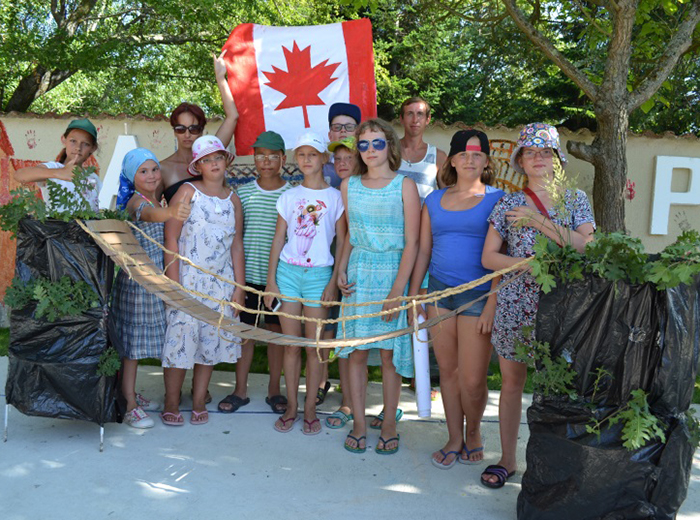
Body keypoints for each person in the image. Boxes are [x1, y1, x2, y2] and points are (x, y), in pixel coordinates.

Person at [481, 123, 595, 488]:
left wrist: (538, 221)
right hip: (516, 305)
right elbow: (488, 258)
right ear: (520, 160)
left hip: (564, 309)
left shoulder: (575, 200)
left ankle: (549, 464)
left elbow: (586, 247)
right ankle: (508, 459)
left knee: (557, 388)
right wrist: (525, 265)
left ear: (557, 158)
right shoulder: (508, 202)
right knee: (512, 383)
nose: (538, 158)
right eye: (530, 152)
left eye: (545, 152)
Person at [408, 130, 504, 468]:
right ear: (451, 158)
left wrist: (493, 302)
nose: (469, 159)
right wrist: (415, 295)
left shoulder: (499, 199)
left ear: (487, 161)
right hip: (439, 295)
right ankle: (453, 436)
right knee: (447, 371)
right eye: (463, 153)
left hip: (479, 298)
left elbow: (505, 257)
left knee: (473, 378)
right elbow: (423, 250)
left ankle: (474, 431)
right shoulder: (433, 200)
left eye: (477, 154)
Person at [336, 118, 420, 455]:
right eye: (364, 144)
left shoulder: (405, 186)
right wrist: (340, 269)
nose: (370, 150)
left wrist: (397, 292)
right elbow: (348, 235)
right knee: (356, 353)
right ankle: (358, 422)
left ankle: (388, 424)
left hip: (391, 275)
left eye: (377, 143)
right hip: (359, 273)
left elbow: (412, 244)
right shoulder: (349, 185)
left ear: (390, 146)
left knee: (388, 357)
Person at [265, 132, 346, 435]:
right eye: (302, 154)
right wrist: (272, 281)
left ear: (324, 158)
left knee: (313, 347)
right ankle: (292, 406)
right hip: (288, 273)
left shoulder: (335, 197)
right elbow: (278, 238)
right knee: (291, 346)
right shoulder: (288, 196)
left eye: (313, 154)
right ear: (295, 159)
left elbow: (341, 240)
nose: (307, 159)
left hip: (319, 277)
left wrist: (333, 282)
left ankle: (310, 406)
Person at [161, 135, 245, 426]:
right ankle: (171, 402)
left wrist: (239, 290)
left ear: (226, 161)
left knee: (208, 345)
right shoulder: (187, 192)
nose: (214, 164)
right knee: (180, 343)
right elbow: (170, 235)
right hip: (187, 280)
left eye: (218, 158)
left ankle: (198, 401)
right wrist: (173, 285)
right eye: (207, 160)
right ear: (198, 166)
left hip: (219, 285)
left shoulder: (233, 199)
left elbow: (236, 245)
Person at [109, 148, 191, 428]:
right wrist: (170, 212)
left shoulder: (159, 197)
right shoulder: (136, 202)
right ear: (132, 177)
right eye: (143, 171)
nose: (152, 175)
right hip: (137, 285)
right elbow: (150, 216)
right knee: (132, 348)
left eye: (154, 169)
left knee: (140, 343)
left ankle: (127, 392)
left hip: (151, 282)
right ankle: (129, 404)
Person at [217, 131, 291, 415]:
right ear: (254, 158)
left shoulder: (292, 194)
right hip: (245, 276)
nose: (267, 161)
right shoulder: (243, 193)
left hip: (278, 278)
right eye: (260, 155)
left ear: (283, 159)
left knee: (275, 333)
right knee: (244, 333)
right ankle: (240, 389)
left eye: (273, 156)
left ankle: (275, 390)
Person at [161, 50, 238, 203]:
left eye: (194, 129)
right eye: (181, 129)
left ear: (202, 130)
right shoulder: (163, 168)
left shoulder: (213, 152)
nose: (187, 135)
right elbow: (149, 204)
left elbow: (233, 116)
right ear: (174, 131)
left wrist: (220, 78)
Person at [322, 137, 357, 429]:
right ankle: (346, 398)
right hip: (337, 269)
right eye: (338, 159)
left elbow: (348, 237)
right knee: (339, 337)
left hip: (356, 270)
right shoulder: (336, 191)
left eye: (348, 158)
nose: (342, 164)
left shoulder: (357, 189)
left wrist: (338, 275)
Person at [13, 118, 102, 211]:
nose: (78, 148)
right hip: (54, 225)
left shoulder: (93, 177)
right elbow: (19, 175)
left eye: (86, 144)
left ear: (93, 148)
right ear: (64, 140)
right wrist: (59, 173)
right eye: (73, 141)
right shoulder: (53, 167)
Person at [396, 96, 446, 203]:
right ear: (401, 118)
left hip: (424, 220)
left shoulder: (439, 157)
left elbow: (447, 198)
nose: (415, 120)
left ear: (428, 119)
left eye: (420, 114)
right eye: (410, 114)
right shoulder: (388, 151)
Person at [322, 102, 361, 189]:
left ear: (358, 133)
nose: (343, 130)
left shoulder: (368, 164)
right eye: (337, 127)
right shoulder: (321, 168)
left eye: (349, 127)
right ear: (330, 136)